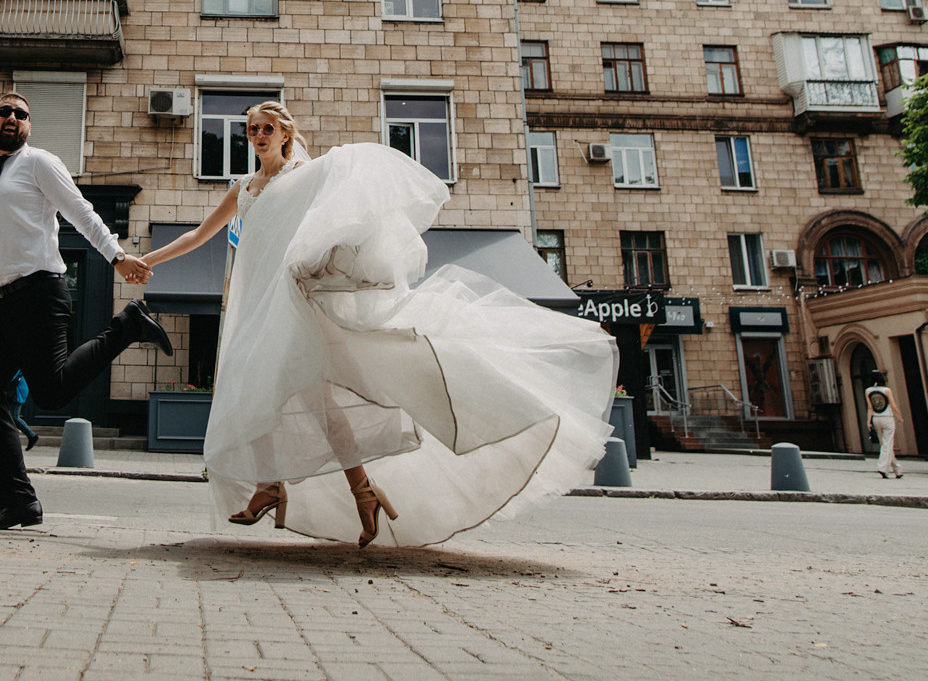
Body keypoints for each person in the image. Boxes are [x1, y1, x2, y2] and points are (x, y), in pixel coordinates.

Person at [142, 102, 618, 548]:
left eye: (269, 128)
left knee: (311, 400)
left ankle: (302, 488)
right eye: (253, 129)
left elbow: (342, 215)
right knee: (259, 388)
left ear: (287, 134)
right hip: (253, 302)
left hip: (290, 300)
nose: (260, 135)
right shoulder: (243, 189)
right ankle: (333, 489)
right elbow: (199, 234)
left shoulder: (305, 176)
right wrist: (146, 259)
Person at [0, 91, 171, 529]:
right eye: (5, 111)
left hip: (40, 293)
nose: (13, 117)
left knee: (52, 393)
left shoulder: (40, 163)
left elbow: (81, 212)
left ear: (29, 125)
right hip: (2, 301)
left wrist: (117, 257)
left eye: (22, 113)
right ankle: (18, 502)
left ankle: (127, 326)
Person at [866, 381, 904, 478]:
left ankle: (897, 470)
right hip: (887, 418)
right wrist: (899, 417)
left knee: (885, 445)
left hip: (876, 418)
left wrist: (868, 421)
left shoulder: (868, 391)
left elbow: (870, 407)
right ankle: (882, 468)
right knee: (888, 444)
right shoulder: (886, 390)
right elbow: (893, 406)